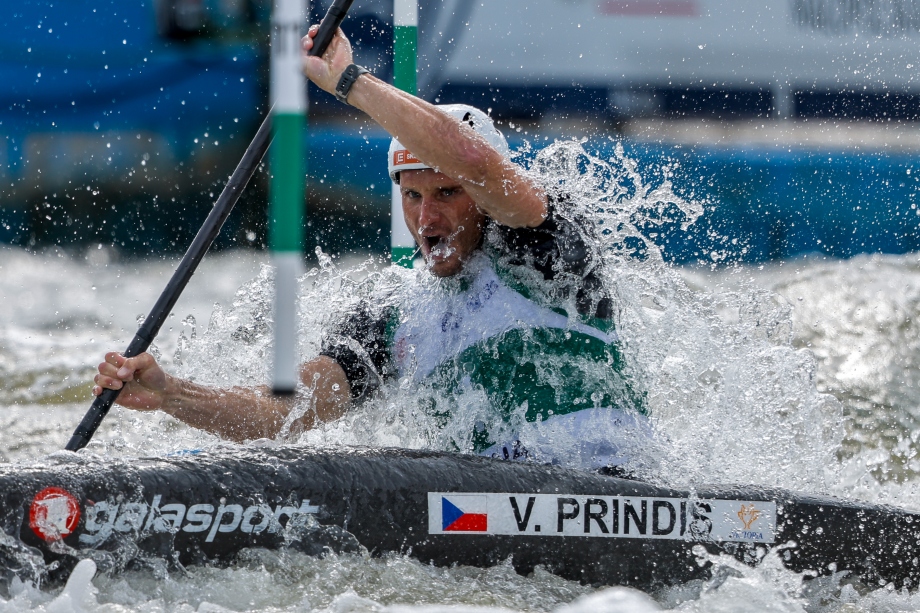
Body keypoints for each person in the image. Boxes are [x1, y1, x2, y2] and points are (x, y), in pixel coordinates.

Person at [93, 25, 651, 469]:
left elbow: (478, 162)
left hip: (611, 488)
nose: (426, 217)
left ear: (483, 198)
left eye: (447, 193)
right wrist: (172, 394)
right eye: (412, 196)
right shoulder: (394, 321)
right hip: (489, 516)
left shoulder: (548, 246)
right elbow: (282, 412)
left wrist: (348, 80)